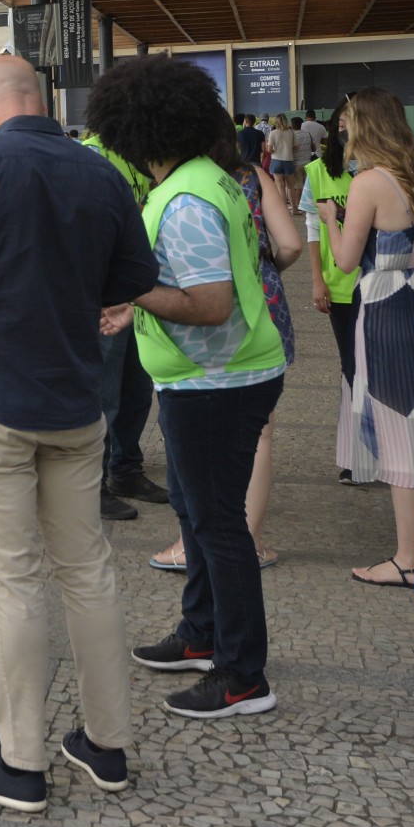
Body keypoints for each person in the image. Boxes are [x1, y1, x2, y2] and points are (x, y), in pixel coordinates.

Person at [0, 55, 158, 811]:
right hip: (78, 406)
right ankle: (106, 743)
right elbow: (130, 278)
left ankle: (21, 761)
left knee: (12, 578)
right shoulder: (102, 174)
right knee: (88, 569)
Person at [88, 57, 287, 720]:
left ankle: (241, 676)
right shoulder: (208, 179)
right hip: (217, 375)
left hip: (216, 381)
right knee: (199, 514)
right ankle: (201, 634)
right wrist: (135, 305)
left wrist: (132, 287)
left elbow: (209, 303)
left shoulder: (185, 200)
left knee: (218, 525)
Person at [151, 114, 302, 572]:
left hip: (201, 306)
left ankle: (188, 541)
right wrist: (264, 266)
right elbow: (291, 244)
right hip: (264, 301)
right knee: (260, 431)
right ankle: (251, 541)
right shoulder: (252, 176)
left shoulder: (184, 184)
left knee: (191, 426)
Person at [330, 87, 414, 589]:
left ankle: (409, 559)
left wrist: (328, 222)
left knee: (400, 423)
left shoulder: (368, 183)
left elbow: (344, 261)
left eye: (348, 121)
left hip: (386, 308)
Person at [83, 130, 169, 521]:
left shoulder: (139, 155)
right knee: (104, 395)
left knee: (137, 388)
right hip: (106, 298)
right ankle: (93, 483)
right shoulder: (91, 156)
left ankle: (126, 469)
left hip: (138, 295)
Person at [301, 97, 363, 484]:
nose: (346, 128)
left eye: (353, 121)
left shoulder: (383, 171)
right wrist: (317, 280)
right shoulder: (319, 172)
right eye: (341, 120)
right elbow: (311, 229)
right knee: (352, 369)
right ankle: (356, 455)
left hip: (381, 285)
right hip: (340, 287)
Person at [266, 113, 302, 211]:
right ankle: (294, 209)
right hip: (289, 161)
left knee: (280, 187)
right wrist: (289, 152)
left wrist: (274, 151)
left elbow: (269, 150)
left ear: (276, 122)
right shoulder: (292, 132)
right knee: (290, 187)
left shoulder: (273, 133)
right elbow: (297, 147)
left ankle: (284, 210)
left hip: (276, 161)